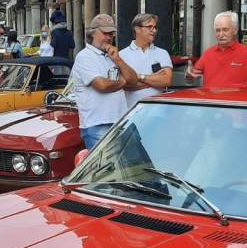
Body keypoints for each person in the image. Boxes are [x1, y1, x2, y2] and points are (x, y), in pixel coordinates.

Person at [70, 13, 139, 150]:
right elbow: (102, 85)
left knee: (136, 166)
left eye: (111, 34)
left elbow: (134, 80)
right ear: (92, 33)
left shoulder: (112, 56)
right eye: (105, 33)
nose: (109, 38)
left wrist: (118, 60)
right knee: (105, 171)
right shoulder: (84, 57)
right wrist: (122, 82)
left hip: (121, 120)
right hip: (97, 124)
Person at [187, 11, 247, 88]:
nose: (221, 34)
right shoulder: (208, 53)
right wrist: (189, 75)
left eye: (225, 30)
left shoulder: (246, 52)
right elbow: (191, 78)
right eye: (218, 30)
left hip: (235, 104)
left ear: (235, 30)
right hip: (211, 104)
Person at [121, 13, 173, 107]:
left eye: (155, 27)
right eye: (149, 27)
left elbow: (166, 81)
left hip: (158, 111)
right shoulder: (122, 55)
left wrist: (139, 77)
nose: (154, 30)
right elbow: (125, 85)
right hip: (131, 111)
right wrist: (154, 81)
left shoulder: (162, 53)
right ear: (137, 29)